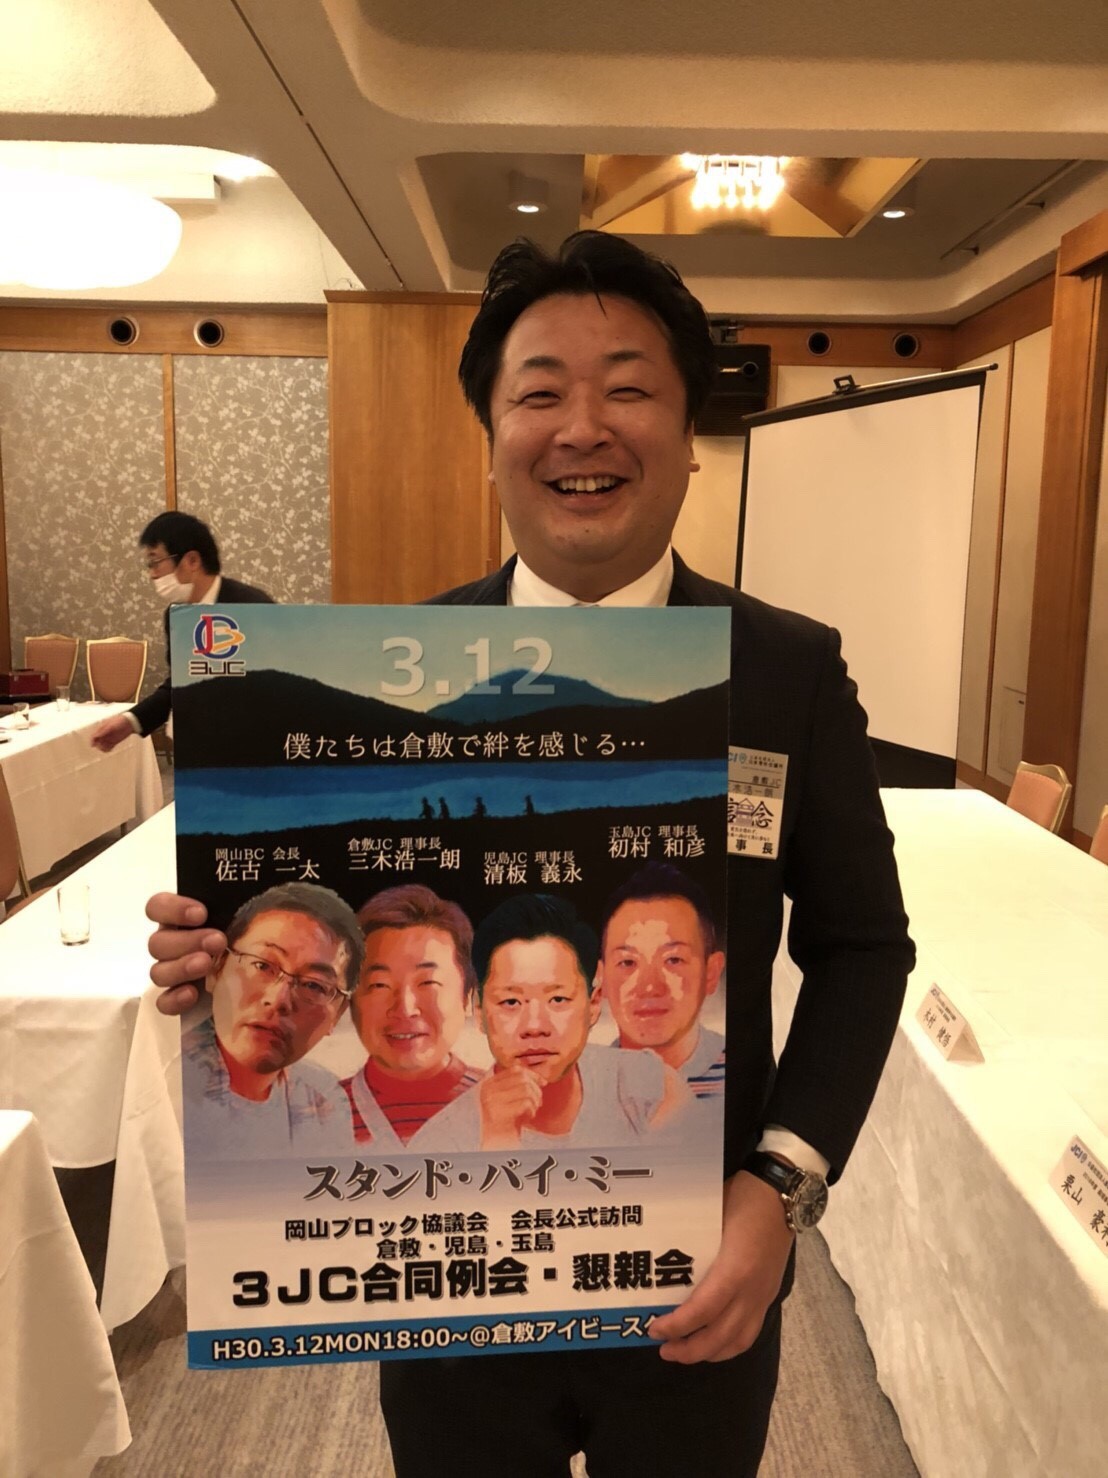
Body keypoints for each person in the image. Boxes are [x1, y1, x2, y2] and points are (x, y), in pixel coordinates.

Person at [146, 230, 914, 1476]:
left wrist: (782, 1184)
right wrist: (212, 955)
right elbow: (317, 939)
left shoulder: (787, 668)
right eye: (539, 392)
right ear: (492, 433)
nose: (583, 427)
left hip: (695, 1260)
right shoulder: (380, 670)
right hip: (442, 1265)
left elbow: (864, 946)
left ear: (690, 429)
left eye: (628, 387)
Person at [425, 893, 687, 1151]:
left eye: (558, 999)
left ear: (594, 1003)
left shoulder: (650, 1087)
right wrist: (498, 1137)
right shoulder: (442, 1140)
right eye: (511, 1002)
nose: (534, 1026)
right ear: (480, 1012)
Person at [182, 882, 362, 1158]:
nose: (278, 1000)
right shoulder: (171, 1081)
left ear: (337, 1014)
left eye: (314, 985)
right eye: (262, 965)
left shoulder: (323, 1099)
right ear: (216, 968)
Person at [91, 510, 273, 753]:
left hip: (249, 745)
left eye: (156, 561)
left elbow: (276, 683)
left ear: (192, 561)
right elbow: (179, 684)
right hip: (195, 744)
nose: (152, 573)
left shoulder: (252, 606)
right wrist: (130, 721)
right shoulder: (176, 616)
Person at [339, 884, 483, 1148]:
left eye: (428, 982)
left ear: (467, 997)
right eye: (379, 985)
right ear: (351, 1000)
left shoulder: (504, 1108)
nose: (405, 1008)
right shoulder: (316, 1118)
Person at [598, 862, 726, 1102]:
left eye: (673, 960)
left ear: (711, 973)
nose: (650, 987)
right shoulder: (582, 1088)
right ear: (601, 978)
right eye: (627, 962)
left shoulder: (741, 1073)